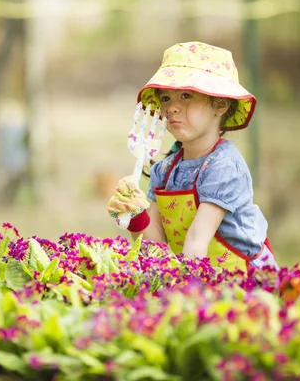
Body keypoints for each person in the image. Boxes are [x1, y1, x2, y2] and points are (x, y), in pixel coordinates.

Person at [108, 41, 278, 273]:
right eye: (166, 98)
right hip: (196, 272)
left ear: (219, 104)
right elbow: (157, 248)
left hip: (244, 278)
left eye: (186, 96)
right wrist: (136, 216)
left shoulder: (224, 166)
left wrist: (187, 296)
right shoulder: (164, 170)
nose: (172, 108)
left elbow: (197, 240)